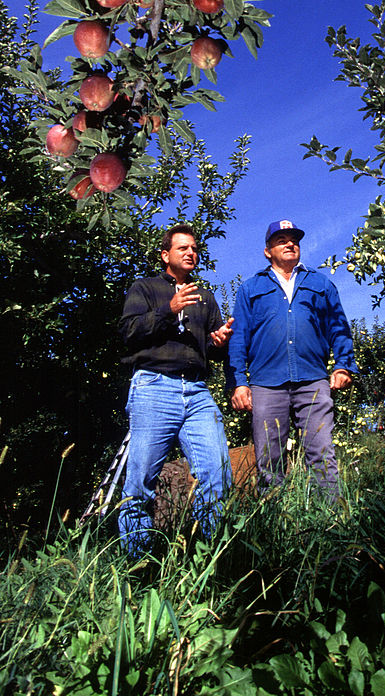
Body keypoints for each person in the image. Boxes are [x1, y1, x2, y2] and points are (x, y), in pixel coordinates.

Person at [118, 223, 233, 557]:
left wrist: (219, 340)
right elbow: (128, 332)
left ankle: (206, 562)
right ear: (166, 254)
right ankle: (137, 569)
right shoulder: (145, 288)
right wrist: (169, 309)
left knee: (217, 472)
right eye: (183, 248)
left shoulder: (205, 297)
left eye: (194, 248)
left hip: (197, 391)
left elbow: (212, 349)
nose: (191, 253)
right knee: (140, 482)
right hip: (154, 386)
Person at [227, 219, 358, 500]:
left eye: (294, 239)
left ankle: (331, 521)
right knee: (268, 460)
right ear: (267, 251)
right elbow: (238, 338)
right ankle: (275, 527)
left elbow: (339, 327)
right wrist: (239, 382)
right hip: (266, 384)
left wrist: (344, 364)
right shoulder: (251, 288)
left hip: (313, 381)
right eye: (281, 240)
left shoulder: (320, 283)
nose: (290, 244)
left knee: (321, 453)